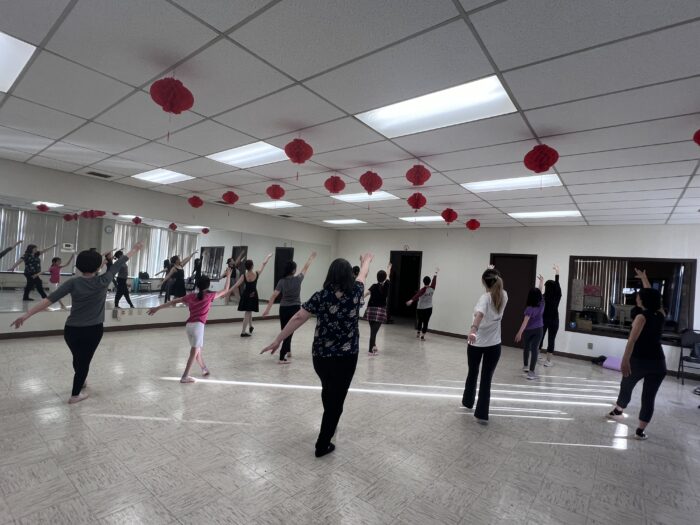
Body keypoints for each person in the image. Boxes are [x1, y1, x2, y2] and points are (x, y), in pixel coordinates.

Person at [262, 253, 373, 457]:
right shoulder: (356, 292)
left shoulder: (321, 296)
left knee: (328, 389)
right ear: (349, 275)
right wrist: (365, 260)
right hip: (346, 357)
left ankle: (330, 419)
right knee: (337, 400)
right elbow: (363, 274)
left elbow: (298, 317)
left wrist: (278, 339)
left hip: (321, 356)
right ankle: (323, 444)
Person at [10, 242, 144, 403]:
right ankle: (75, 395)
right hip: (93, 330)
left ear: (79, 267)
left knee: (78, 358)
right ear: (97, 267)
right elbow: (119, 262)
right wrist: (135, 249)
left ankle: (81, 379)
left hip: (71, 331)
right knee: (84, 362)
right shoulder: (104, 280)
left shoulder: (73, 282)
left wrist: (26, 315)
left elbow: (48, 300)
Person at [607, 269, 667, 440]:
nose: (637, 297)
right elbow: (653, 296)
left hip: (639, 361)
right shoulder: (661, 314)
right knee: (649, 397)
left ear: (643, 300)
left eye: (639, 296)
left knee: (626, 386)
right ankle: (640, 431)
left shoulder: (641, 317)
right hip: (659, 363)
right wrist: (644, 278)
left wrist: (624, 361)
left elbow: (632, 341)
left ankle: (619, 409)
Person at [148, 268, 232, 383]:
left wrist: (157, 308)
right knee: (194, 352)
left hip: (189, 326)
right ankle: (185, 376)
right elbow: (226, 289)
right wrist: (228, 276)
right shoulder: (209, 296)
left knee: (197, 350)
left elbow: (173, 302)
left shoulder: (191, 296)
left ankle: (204, 368)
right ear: (208, 286)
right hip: (198, 326)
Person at [462, 266, 508, 424]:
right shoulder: (504, 295)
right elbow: (495, 281)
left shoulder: (485, 298)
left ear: (484, 282)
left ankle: (468, 402)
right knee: (486, 378)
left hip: (477, 343)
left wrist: (473, 330)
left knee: (473, 373)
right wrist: (490, 271)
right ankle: (481, 414)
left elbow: (480, 314)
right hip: (494, 345)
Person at [262, 252, 317, 363]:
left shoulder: (281, 281)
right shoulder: (298, 279)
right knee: (289, 332)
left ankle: (288, 350)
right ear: (293, 270)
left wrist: (267, 309)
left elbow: (273, 296)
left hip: (283, 309)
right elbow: (306, 267)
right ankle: (282, 357)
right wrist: (311, 258)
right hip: (294, 308)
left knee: (285, 330)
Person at [233, 253, 273, 337]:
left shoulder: (244, 276)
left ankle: (251, 326)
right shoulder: (256, 273)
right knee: (248, 313)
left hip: (246, 295)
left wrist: (227, 291)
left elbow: (236, 285)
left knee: (249, 311)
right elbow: (263, 264)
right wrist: (268, 256)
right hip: (253, 295)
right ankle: (243, 332)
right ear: (252, 266)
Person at [515, 275, 545, 380]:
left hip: (528, 331)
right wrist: (542, 281)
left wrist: (519, 333)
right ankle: (531, 373)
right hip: (539, 330)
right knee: (535, 350)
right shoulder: (542, 303)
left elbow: (524, 323)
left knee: (526, 347)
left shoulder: (529, 309)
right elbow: (540, 292)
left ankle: (525, 366)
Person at [364, 263, 391, 355]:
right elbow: (388, 276)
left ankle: (373, 347)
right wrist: (389, 268)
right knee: (373, 332)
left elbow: (365, 294)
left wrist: (358, 298)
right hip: (380, 311)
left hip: (370, 310)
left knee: (373, 330)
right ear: (384, 278)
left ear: (377, 277)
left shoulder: (374, 286)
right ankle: (370, 351)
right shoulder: (387, 285)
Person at [539, 264, 562, 367]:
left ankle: (537, 355)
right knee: (551, 340)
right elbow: (557, 285)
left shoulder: (544, 297)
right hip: (554, 320)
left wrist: (541, 282)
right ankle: (548, 361)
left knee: (540, 337)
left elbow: (538, 292)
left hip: (544, 319)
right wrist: (557, 273)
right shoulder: (557, 297)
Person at [406, 268, 439, 340]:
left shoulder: (423, 290)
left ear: (423, 282)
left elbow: (417, 295)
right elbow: (434, 281)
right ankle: (423, 336)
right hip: (429, 308)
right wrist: (435, 273)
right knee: (426, 322)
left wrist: (411, 300)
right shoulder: (432, 288)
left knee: (420, 321)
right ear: (429, 282)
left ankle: (418, 332)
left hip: (420, 308)